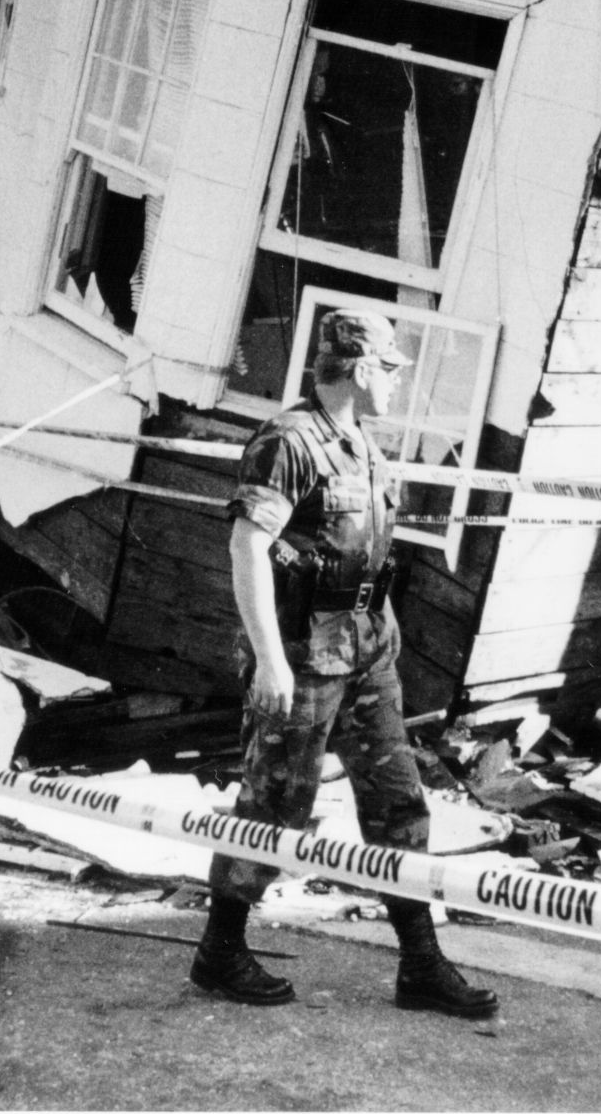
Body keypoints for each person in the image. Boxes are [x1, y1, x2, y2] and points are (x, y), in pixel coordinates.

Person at [189, 307, 496, 1018]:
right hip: (303, 653)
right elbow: (247, 550)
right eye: (389, 369)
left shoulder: (361, 442)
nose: (395, 382)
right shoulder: (288, 441)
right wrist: (269, 661)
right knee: (273, 805)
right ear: (359, 370)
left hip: (366, 647)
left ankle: (420, 963)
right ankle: (220, 950)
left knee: (397, 802)